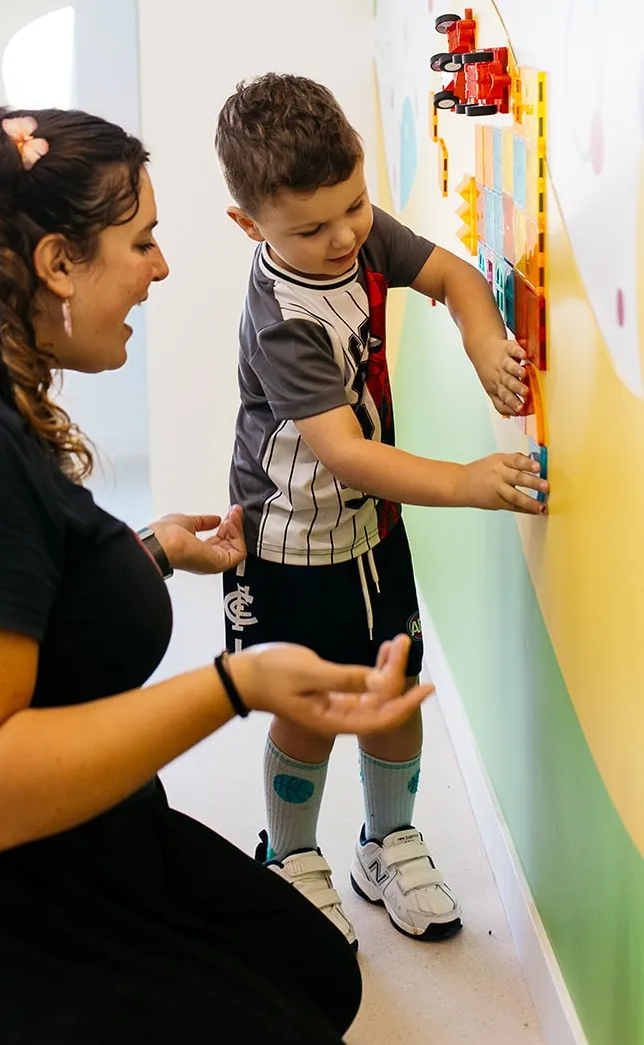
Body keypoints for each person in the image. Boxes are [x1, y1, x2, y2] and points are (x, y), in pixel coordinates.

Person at [0, 107, 434, 1045]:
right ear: (58, 262)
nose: (161, 267)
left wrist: (148, 551)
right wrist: (236, 682)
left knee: (304, 962)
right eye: (140, 241)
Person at [215, 74, 548, 949]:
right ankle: (288, 856)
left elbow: (447, 273)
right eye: (310, 228)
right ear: (250, 226)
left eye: (354, 208)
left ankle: (387, 839)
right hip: (289, 541)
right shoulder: (282, 314)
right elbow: (344, 452)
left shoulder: (357, 235)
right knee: (313, 705)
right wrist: (469, 480)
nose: (341, 239)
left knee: (393, 688)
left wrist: (481, 337)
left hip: (370, 531)